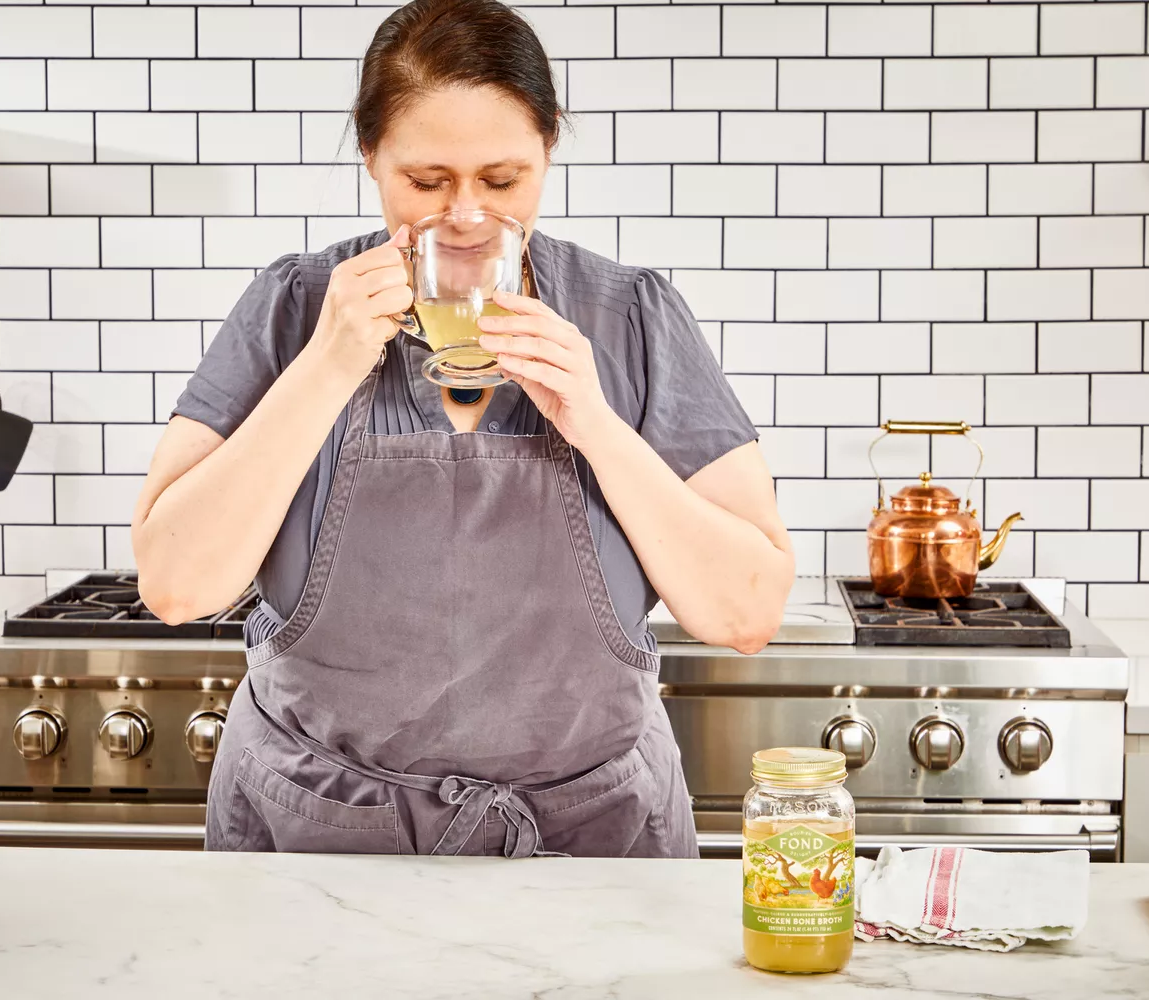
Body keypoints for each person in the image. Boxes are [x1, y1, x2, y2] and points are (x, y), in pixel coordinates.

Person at [131, 0, 796, 859]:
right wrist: (326, 367)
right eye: (426, 181)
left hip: (593, 848)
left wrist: (595, 424)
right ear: (370, 156)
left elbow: (746, 612)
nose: (468, 217)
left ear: (548, 149)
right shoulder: (294, 308)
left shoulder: (632, 318)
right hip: (318, 840)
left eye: (503, 180)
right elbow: (177, 586)